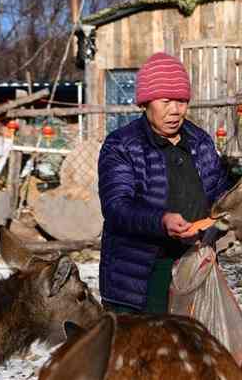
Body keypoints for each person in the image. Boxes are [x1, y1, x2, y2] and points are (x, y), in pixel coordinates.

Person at [97, 52, 233, 314]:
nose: (175, 110)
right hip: (140, 276)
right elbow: (117, 206)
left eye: (182, 101)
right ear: (146, 103)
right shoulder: (122, 145)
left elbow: (218, 190)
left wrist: (228, 209)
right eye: (166, 101)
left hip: (194, 264)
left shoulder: (199, 141)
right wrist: (162, 221)